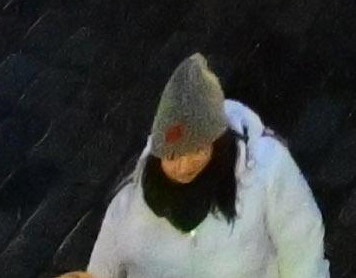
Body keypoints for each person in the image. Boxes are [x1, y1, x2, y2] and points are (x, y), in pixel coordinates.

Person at [89, 47, 328, 275]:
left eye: (196, 150)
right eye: (172, 156)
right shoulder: (130, 204)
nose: (184, 166)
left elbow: (302, 247)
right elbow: (99, 271)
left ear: (217, 141)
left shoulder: (268, 168)